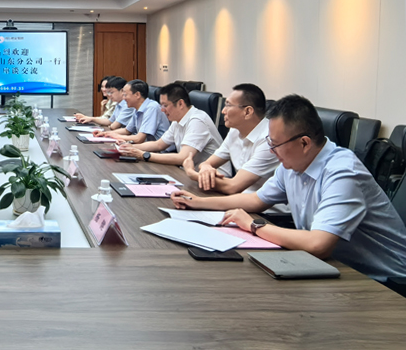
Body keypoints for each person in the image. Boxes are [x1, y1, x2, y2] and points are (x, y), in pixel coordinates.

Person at [171, 95, 406, 282]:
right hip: (331, 267)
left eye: (275, 144)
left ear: (304, 143)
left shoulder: (343, 172)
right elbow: (255, 201)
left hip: (385, 282)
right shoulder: (292, 164)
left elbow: (318, 245)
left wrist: (253, 225)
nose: (272, 151)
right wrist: (197, 202)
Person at [182, 84, 282, 201]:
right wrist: (205, 168)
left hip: (265, 209)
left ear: (248, 112)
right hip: (238, 200)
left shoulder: (269, 140)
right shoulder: (234, 131)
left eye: (228, 105)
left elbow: (232, 186)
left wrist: (192, 173)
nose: (223, 111)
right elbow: (208, 163)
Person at [118, 83, 222, 165]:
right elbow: (158, 145)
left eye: (165, 105)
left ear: (180, 103)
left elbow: (183, 157)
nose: (162, 110)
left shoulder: (197, 121)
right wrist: (129, 147)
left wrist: (144, 155)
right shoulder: (177, 120)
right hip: (191, 173)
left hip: (213, 177)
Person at [94, 79, 169, 143]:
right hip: (146, 147)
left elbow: (139, 138)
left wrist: (116, 136)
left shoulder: (152, 108)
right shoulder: (137, 108)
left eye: (125, 95)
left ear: (137, 95)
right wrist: (105, 133)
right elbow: (127, 130)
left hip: (160, 152)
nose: (123, 98)